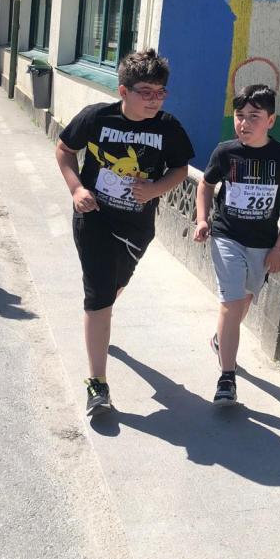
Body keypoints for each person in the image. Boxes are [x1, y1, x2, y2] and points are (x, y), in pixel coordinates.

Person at [55, 49, 194, 417]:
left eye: (160, 92)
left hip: (137, 227)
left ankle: (99, 317)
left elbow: (180, 169)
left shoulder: (168, 128)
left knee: (114, 288)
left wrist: (155, 189)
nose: (154, 99)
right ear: (123, 91)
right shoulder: (96, 117)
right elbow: (65, 150)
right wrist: (76, 189)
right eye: (145, 91)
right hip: (94, 218)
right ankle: (97, 384)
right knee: (99, 294)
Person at [193, 84, 280, 405]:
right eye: (239, 115)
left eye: (254, 116)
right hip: (226, 236)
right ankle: (227, 378)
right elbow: (205, 185)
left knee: (244, 301)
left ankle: (220, 340)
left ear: (271, 120)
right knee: (231, 303)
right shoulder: (225, 152)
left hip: (263, 244)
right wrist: (203, 219)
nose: (244, 123)